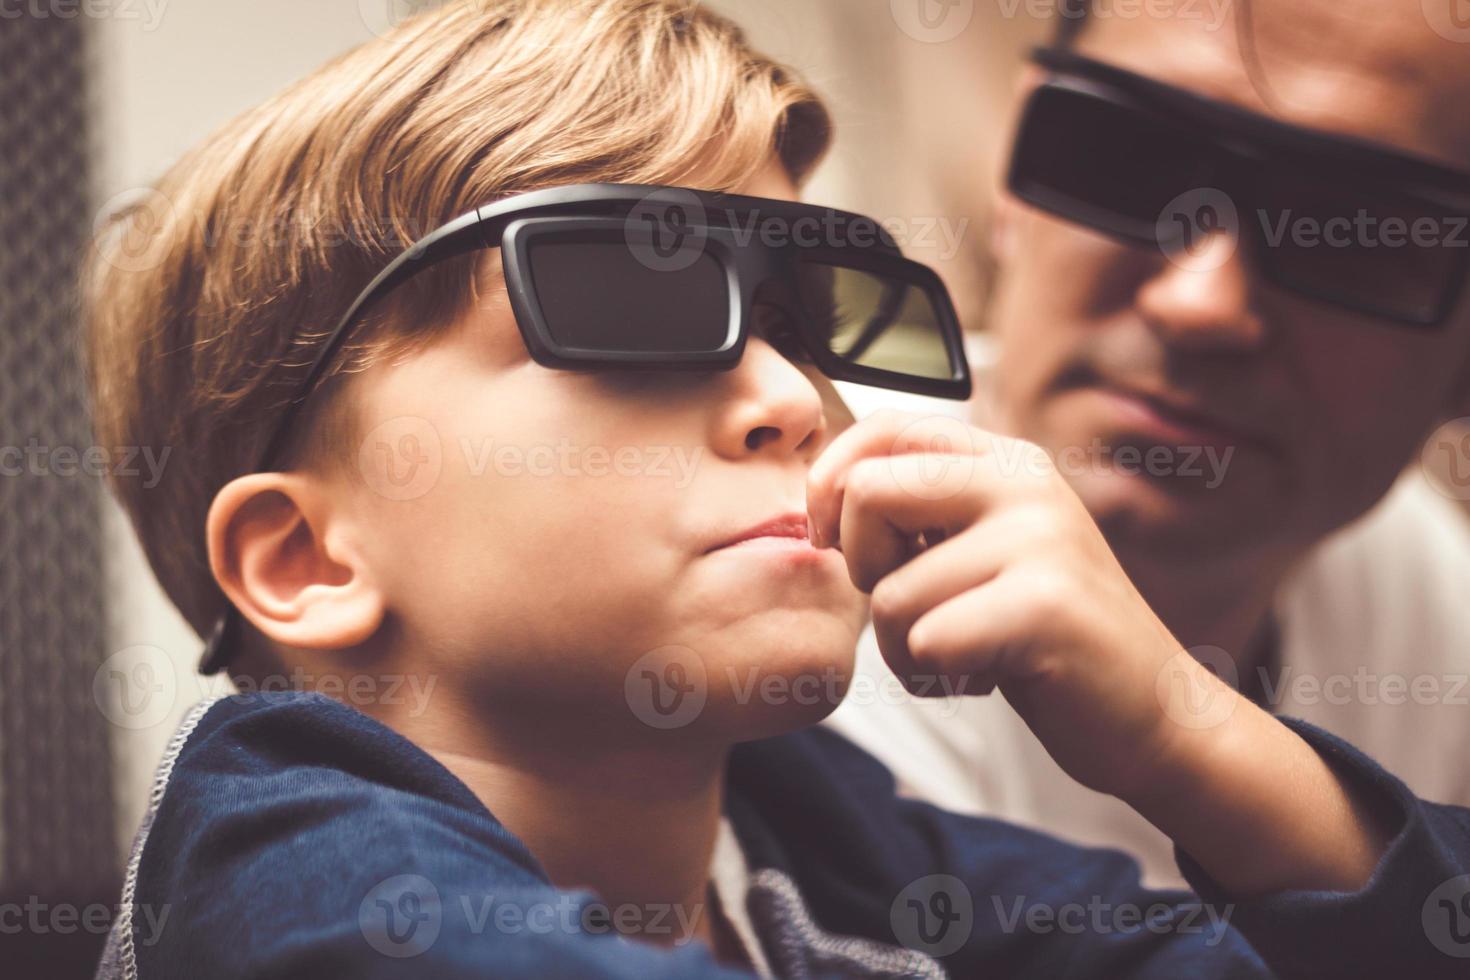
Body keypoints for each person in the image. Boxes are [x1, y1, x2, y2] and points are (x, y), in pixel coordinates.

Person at [85, 1, 1470, 976]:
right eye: (630, 304)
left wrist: (1178, 733)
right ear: (305, 560)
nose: (789, 397)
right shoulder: (283, 845)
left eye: (804, 318)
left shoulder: (812, 822)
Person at [829, 0, 1470, 887]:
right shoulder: (780, 572)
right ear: (1012, 170)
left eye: (1352, 230)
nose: (1198, 303)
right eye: (1132, 159)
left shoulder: (1421, 593)